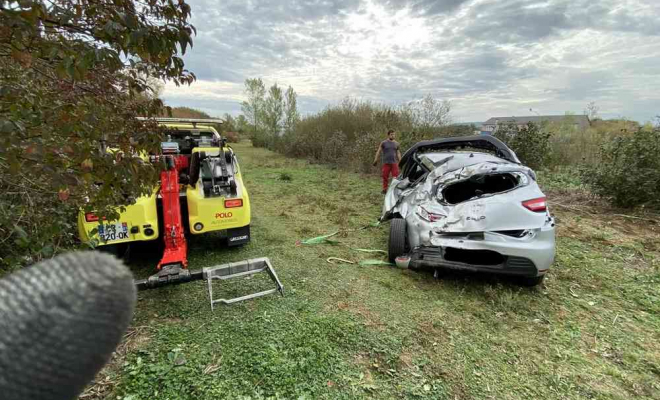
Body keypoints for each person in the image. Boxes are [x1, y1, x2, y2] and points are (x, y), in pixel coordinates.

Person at [372, 129, 402, 194]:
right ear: (388, 135)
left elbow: (398, 153)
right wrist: (375, 159)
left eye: (394, 134)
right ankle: (385, 189)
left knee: (395, 177)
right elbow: (379, 151)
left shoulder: (396, 143)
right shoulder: (383, 143)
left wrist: (400, 161)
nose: (393, 136)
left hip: (394, 163)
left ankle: (394, 190)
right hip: (386, 163)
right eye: (391, 134)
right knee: (385, 176)